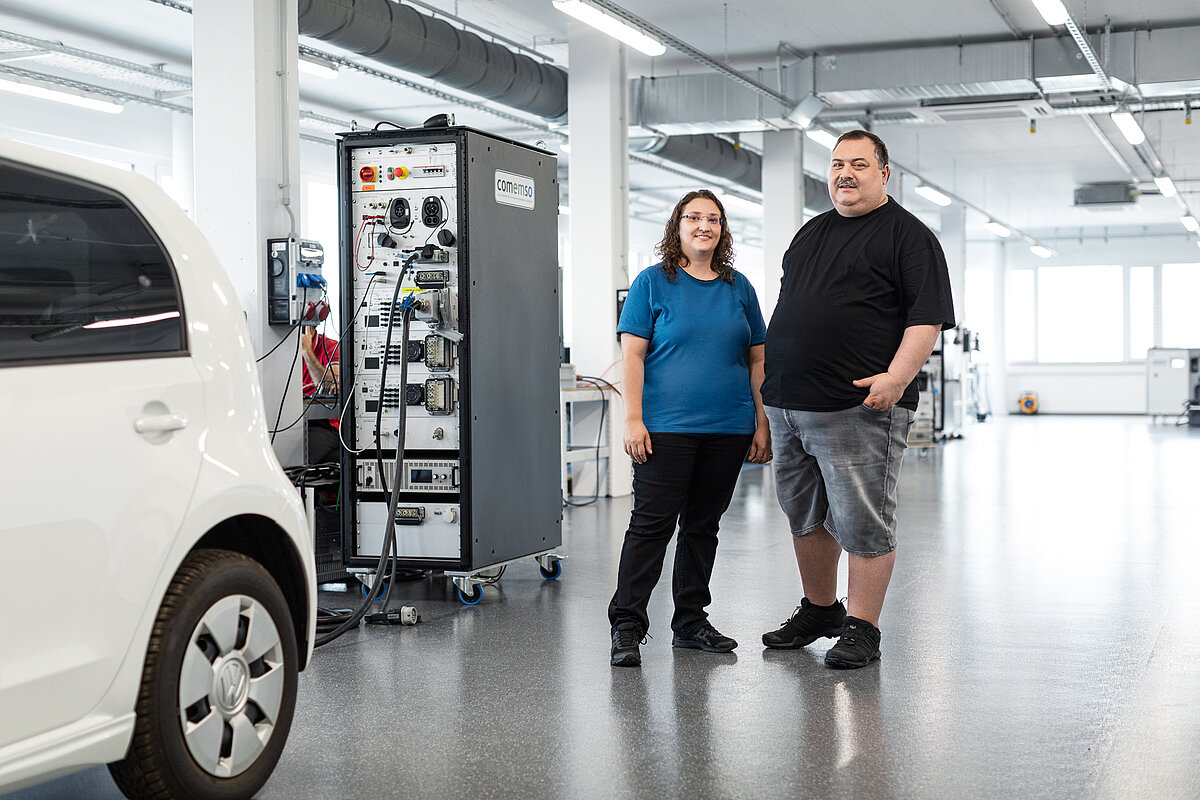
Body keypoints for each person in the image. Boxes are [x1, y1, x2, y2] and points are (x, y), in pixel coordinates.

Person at [760, 130, 955, 669]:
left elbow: (927, 316)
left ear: (884, 173)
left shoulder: (908, 237)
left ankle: (862, 627)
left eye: (859, 164)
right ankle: (820, 609)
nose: (845, 173)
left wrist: (895, 378)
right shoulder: (809, 234)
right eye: (838, 163)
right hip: (789, 403)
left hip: (858, 407)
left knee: (862, 519)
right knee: (805, 515)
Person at [608, 189, 771, 668]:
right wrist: (633, 419)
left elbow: (757, 359)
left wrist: (762, 422)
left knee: (703, 527)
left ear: (723, 230)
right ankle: (627, 626)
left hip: (728, 428)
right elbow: (632, 355)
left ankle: (691, 623)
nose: (704, 225)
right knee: (651, 526)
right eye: (694, 217)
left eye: (714, 219)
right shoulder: (653, 283)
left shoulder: (739, 287)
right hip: (666, 430)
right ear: (676, 226)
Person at [301, 325, 341, 464]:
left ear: (310, 330)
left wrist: (307, 352)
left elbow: (332, 385)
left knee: (296, 456)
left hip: (325, 425)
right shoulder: (280, 352)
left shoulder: (331, 347)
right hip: (291, 423)